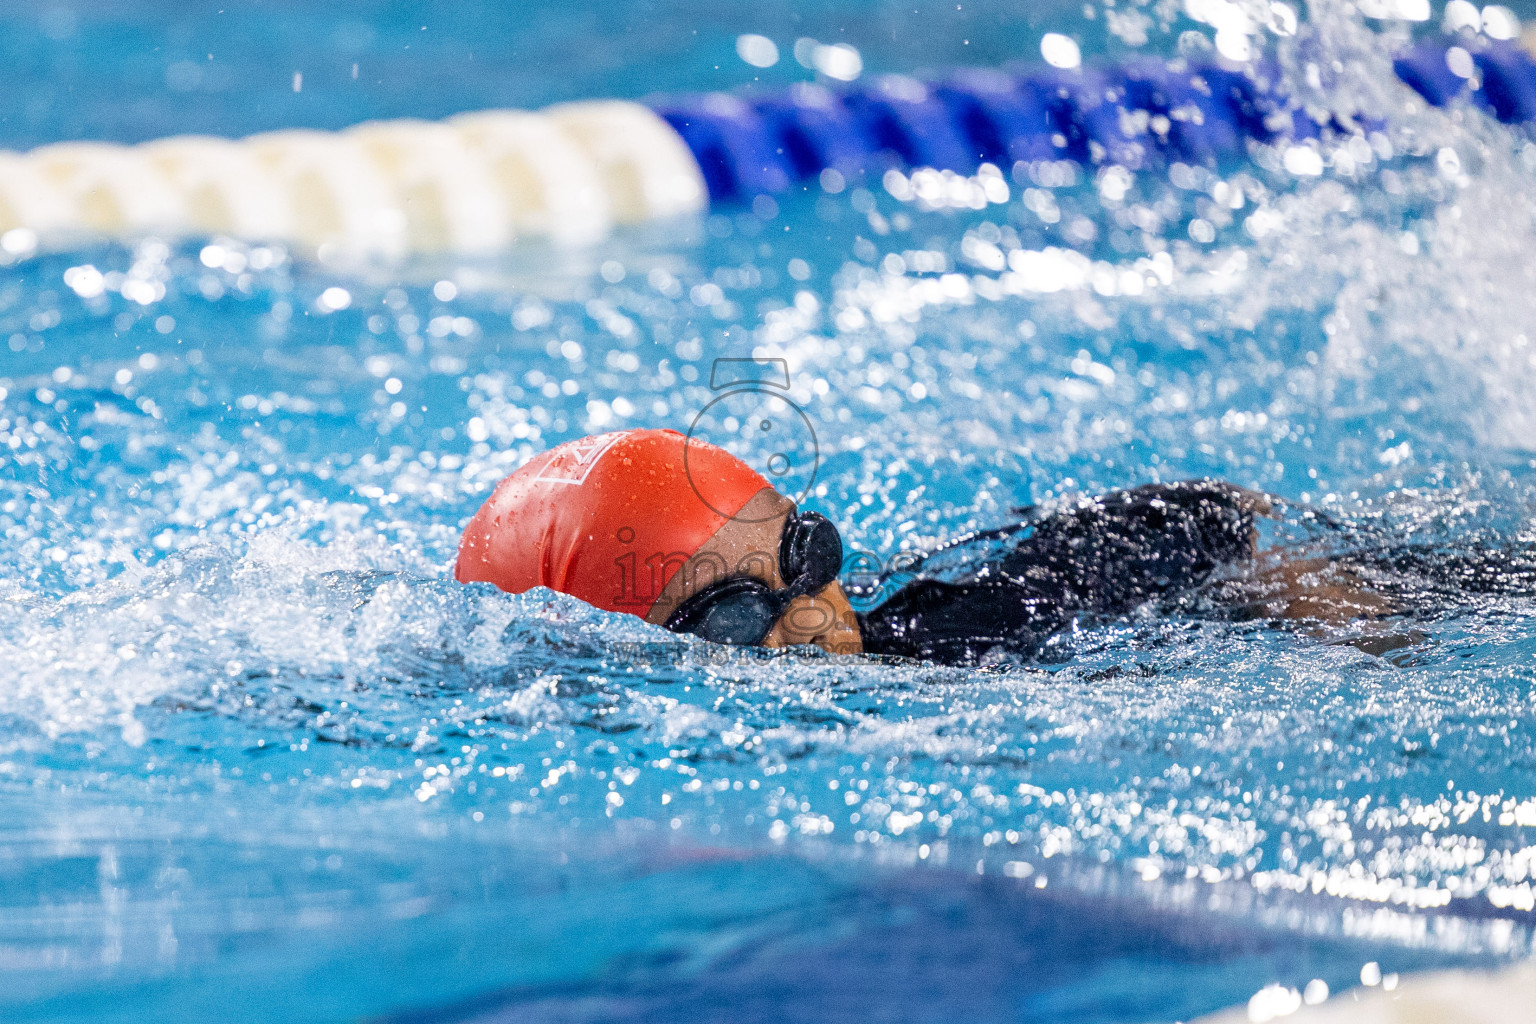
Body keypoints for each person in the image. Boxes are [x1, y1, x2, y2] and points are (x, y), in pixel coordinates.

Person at [455, 428, 1413, 664]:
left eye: (803, 556)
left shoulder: (957, 633)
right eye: (735, 614)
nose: (812, 616)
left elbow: (1186, 519)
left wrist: (1314, 597)